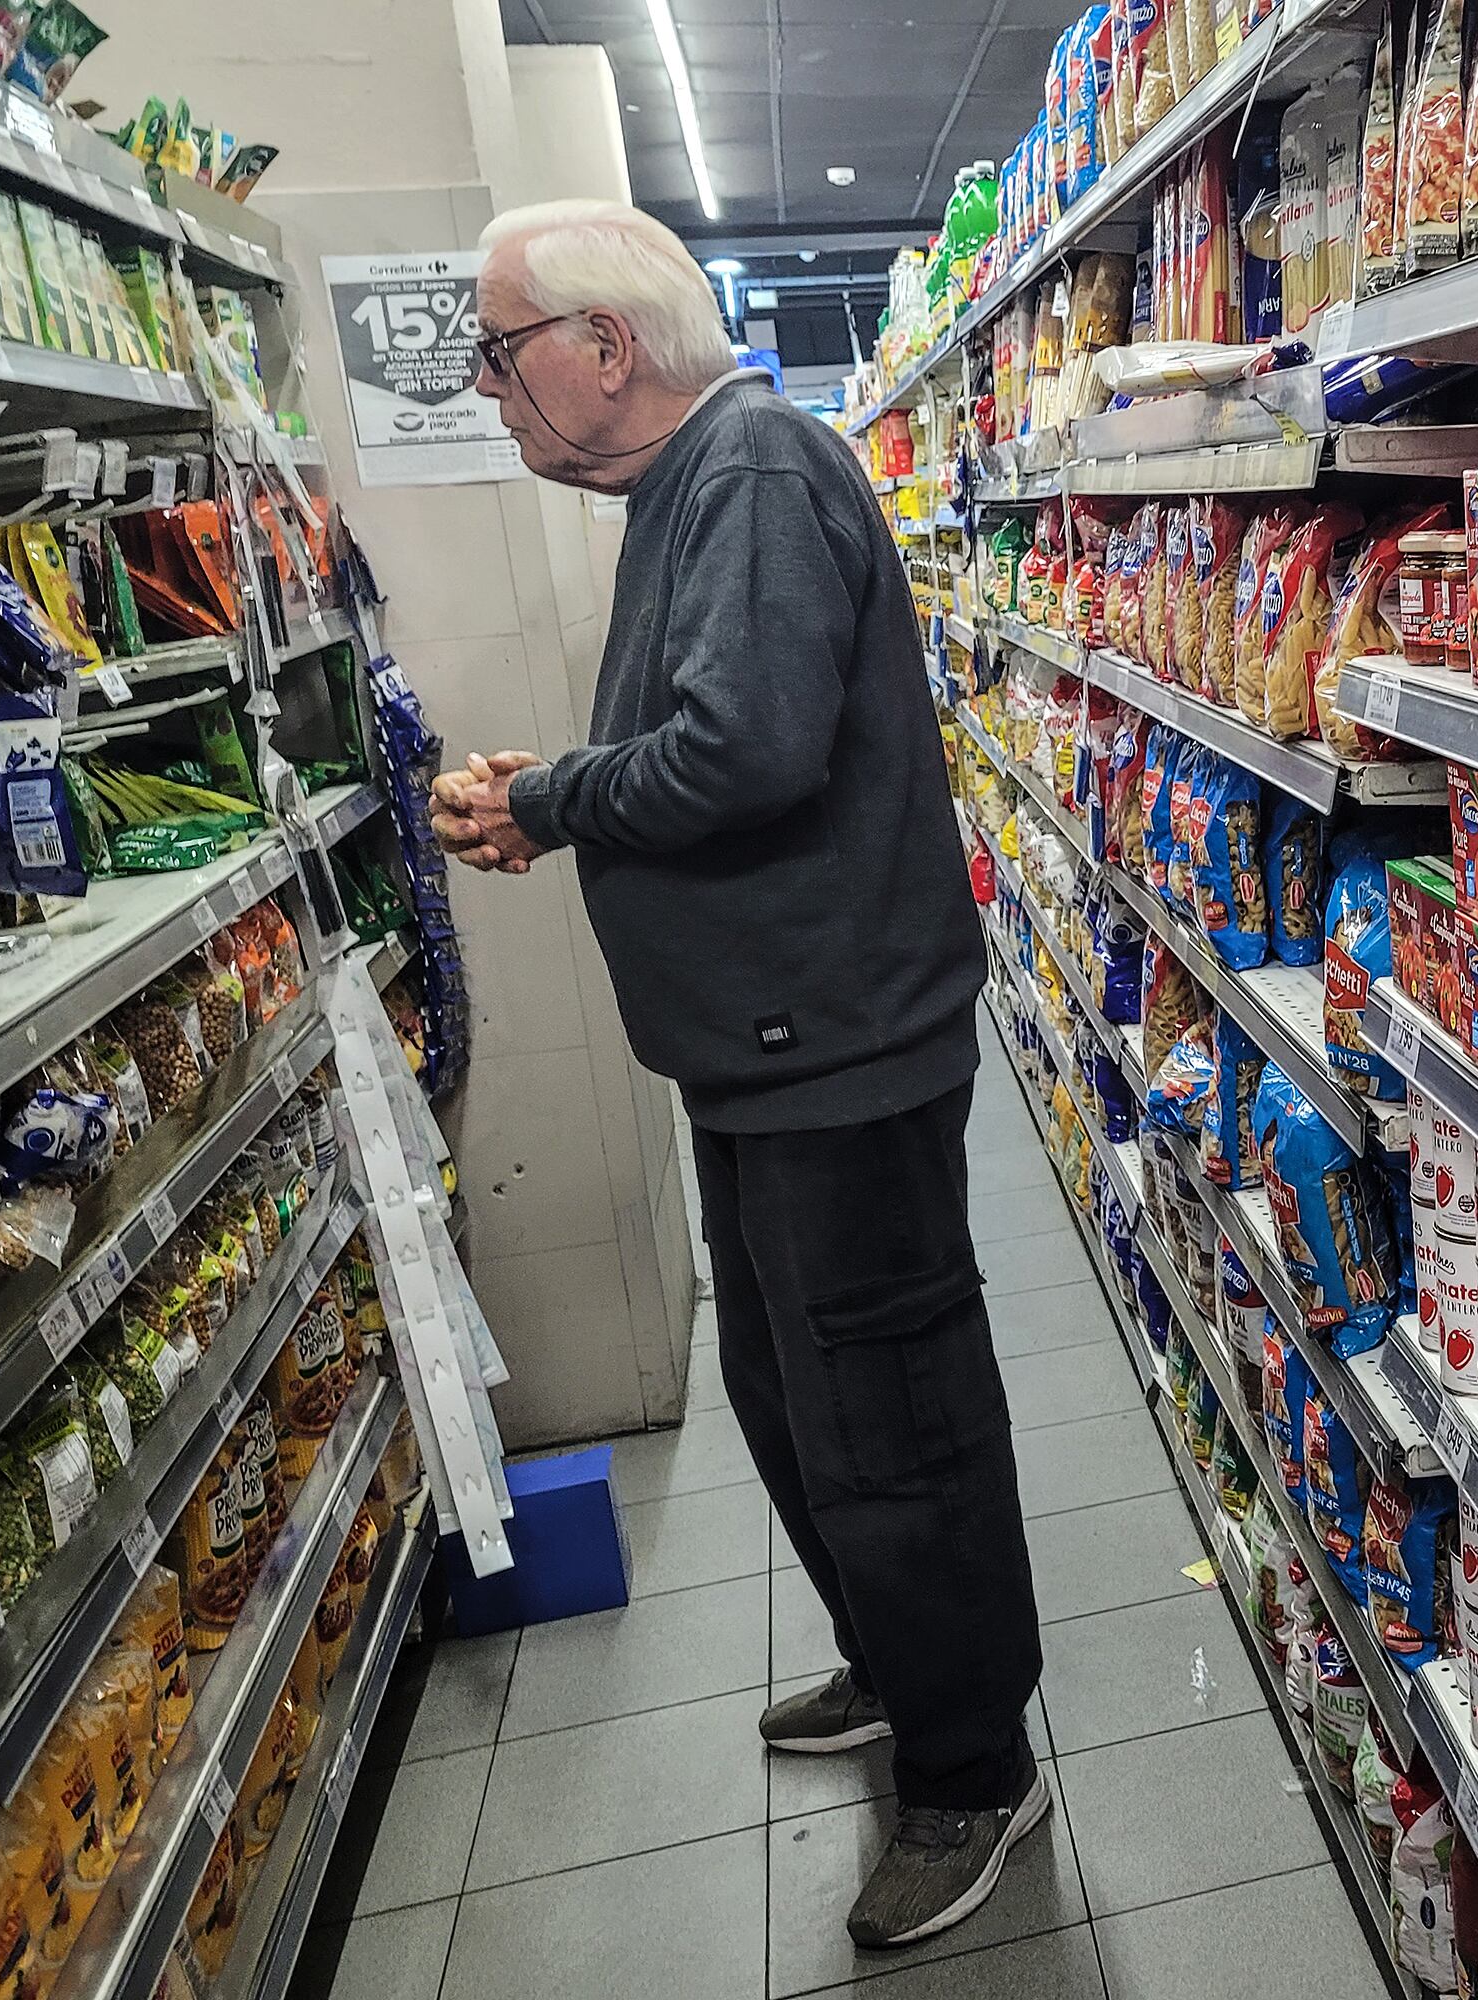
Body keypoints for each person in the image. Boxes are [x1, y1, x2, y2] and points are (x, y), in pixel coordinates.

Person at [426, 199, 1047, 1950]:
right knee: (800, 1401)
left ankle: (972, 1768)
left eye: (501, 353)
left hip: (835, 1049)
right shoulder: (694, 485)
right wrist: (567, 783)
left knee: (893, 1422)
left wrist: (552, 799)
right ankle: (891, 1657)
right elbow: (715, 730)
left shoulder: (755, 470)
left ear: (606, 347)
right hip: (772, 1051)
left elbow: (748, 748)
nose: (492, 392)